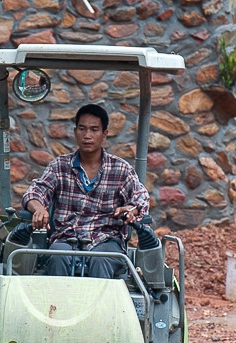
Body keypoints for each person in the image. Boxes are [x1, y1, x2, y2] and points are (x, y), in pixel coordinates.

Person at [21, 103, 150, 278]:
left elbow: (141, 197)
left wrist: (131, 209)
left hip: (106, 239)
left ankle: (102, 306)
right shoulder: (60, 166)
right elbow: (35, 192)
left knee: (101, 259)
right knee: (57, 257)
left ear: (104, 134)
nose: (87, 135)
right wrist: (39, 209)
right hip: (65, 238)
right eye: (82, 129)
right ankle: (56, 306)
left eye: (94, 130)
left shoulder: (120, 169)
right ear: (75, 132)